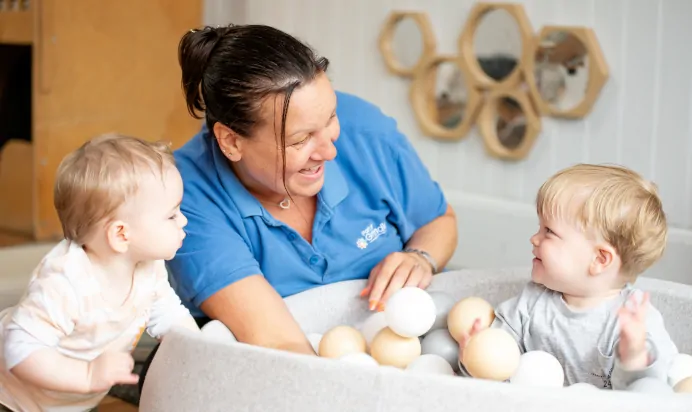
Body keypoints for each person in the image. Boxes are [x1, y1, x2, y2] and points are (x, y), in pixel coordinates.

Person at [141, 21, 456, 363]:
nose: (330, 151)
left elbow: (439, 219)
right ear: (231, 141)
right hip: (287, 365)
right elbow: (278, 342)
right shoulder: (186, 197)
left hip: (401, 350)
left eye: (331, 118)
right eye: (301, 139)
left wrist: (420, 257)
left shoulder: (366, 130)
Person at [0, 134, 199, 412]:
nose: (184, 220)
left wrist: (203, 348)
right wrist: (88, 375)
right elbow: (17, 350)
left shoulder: (147, 266)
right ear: (120, 234)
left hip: (67, 401)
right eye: (171, 215)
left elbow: (168, 314)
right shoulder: (65, 282)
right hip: (12, 398)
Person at [457, 164, 678, 389]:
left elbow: (650, 392)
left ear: (600, 260)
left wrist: (633, 356)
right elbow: (498, 371)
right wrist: (474, 358)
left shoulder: (631, 320)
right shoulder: (530, 304)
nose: (534, 238)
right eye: (539, 227)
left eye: (549, 232)